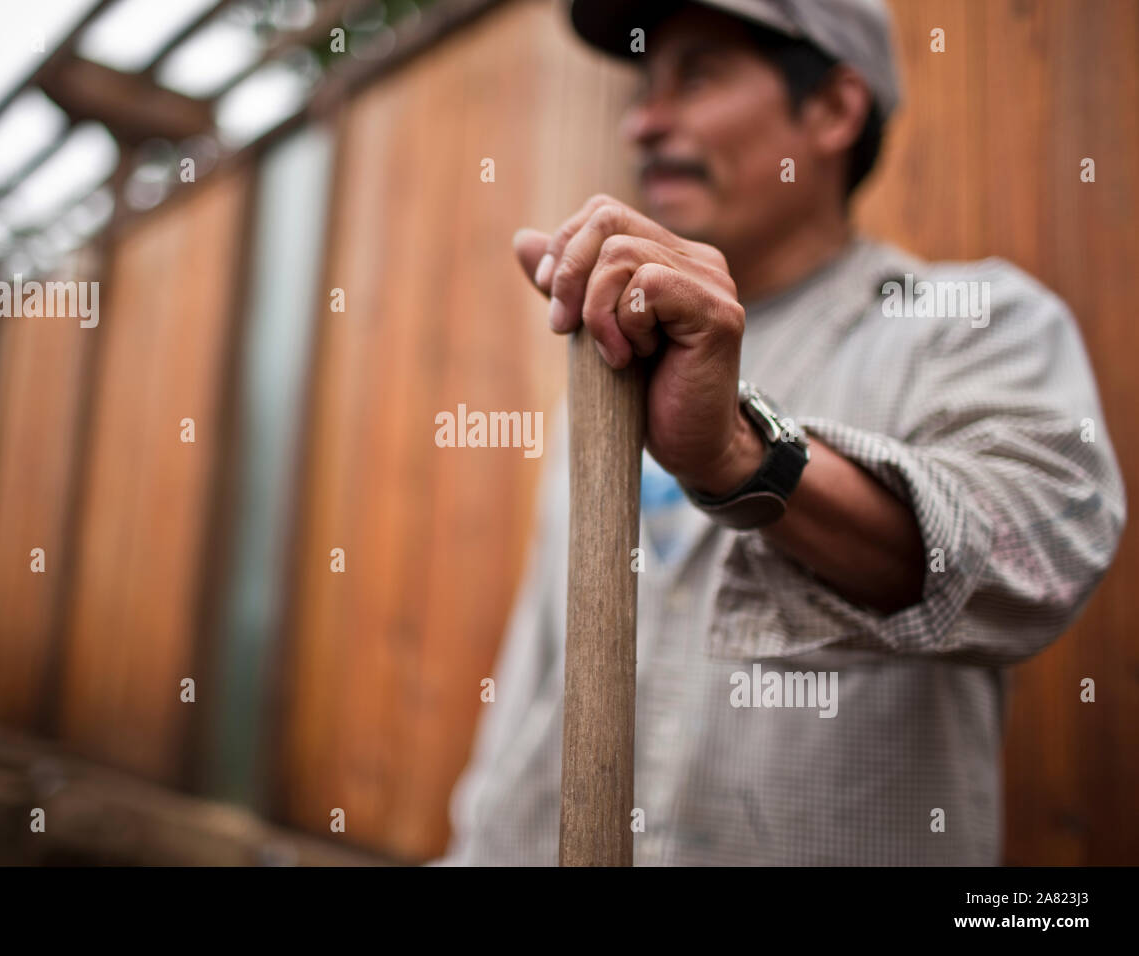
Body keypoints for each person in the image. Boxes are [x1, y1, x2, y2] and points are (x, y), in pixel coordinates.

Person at [433, 0, 1126, 865]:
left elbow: (1043, 557)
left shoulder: (973, 324)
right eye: (646, 84)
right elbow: (540, 672)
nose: (643, 120)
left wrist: (741, 458)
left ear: (834, 109)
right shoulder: (614, 349)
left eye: (699, 75)